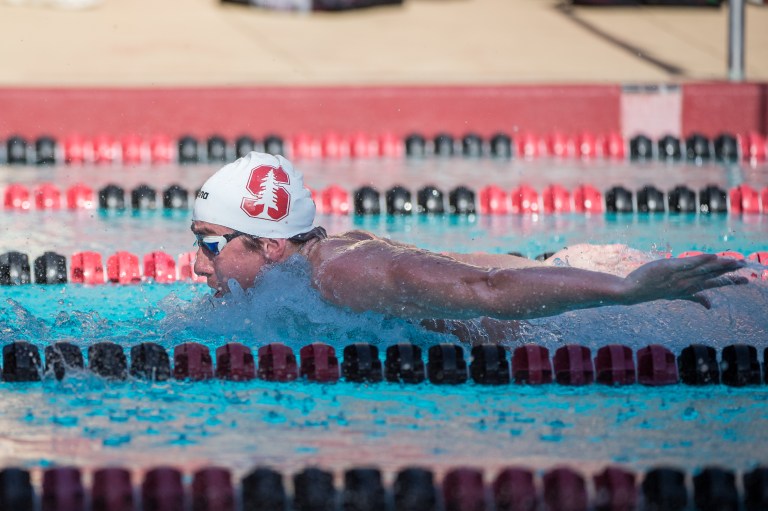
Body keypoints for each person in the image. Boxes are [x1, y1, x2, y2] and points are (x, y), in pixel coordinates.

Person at [191, 151, 749, 329]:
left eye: (211, 244)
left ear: (269, 244)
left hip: (578, 318)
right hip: (568, 277)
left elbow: (484, 287)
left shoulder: (339, 272)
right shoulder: (304, 271)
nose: (195, 265)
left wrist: (627, 290)